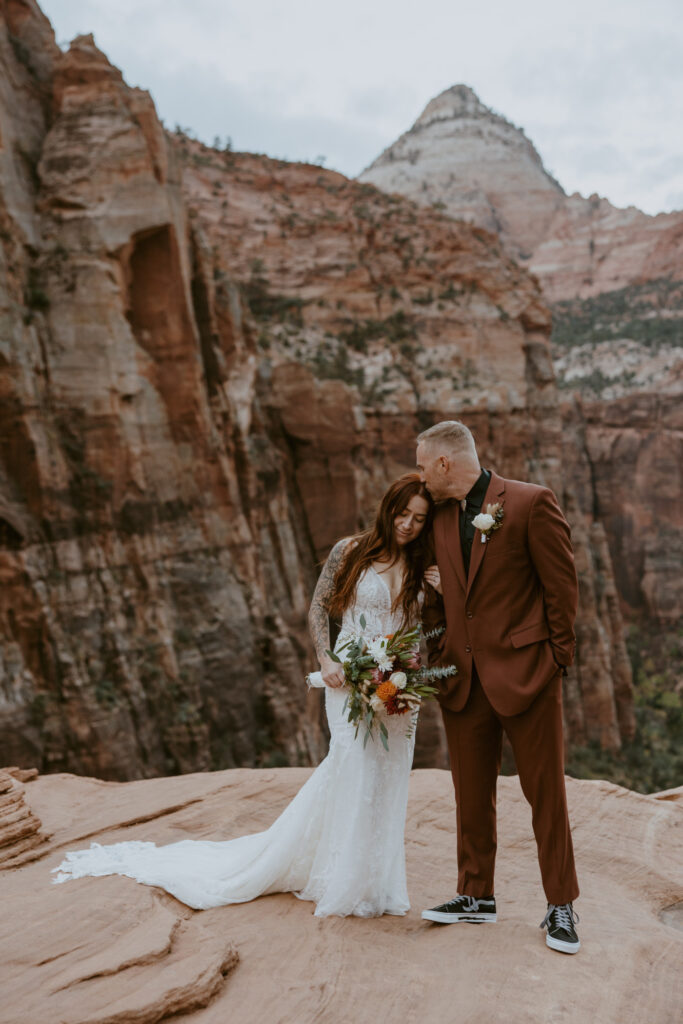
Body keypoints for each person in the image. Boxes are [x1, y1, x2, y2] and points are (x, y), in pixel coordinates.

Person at [51, 473, 434, 918]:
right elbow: (317, 606)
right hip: (346, 679)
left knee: (385, 777)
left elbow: (413, 632)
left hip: (395, 686)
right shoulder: (349, 551)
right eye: (402, 513)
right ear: (387, 508)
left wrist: (407, 677)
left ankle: (373, 883)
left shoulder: (419, 566)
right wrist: (327, 659)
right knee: (353, 764)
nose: (407, 524)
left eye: (419, 519)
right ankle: (340, 881)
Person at [416, 420, 581, 954]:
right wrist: (439, 653)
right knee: (470, 792)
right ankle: (475, 896)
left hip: (527, 675)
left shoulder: (531, 503)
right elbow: (438, 599)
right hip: (462, 681)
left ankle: (560, 905)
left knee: (545, 793)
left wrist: (557, 659)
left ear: (445, 463)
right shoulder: (438, 516)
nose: (419, 477)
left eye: (422, 465)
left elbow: (562, 585)